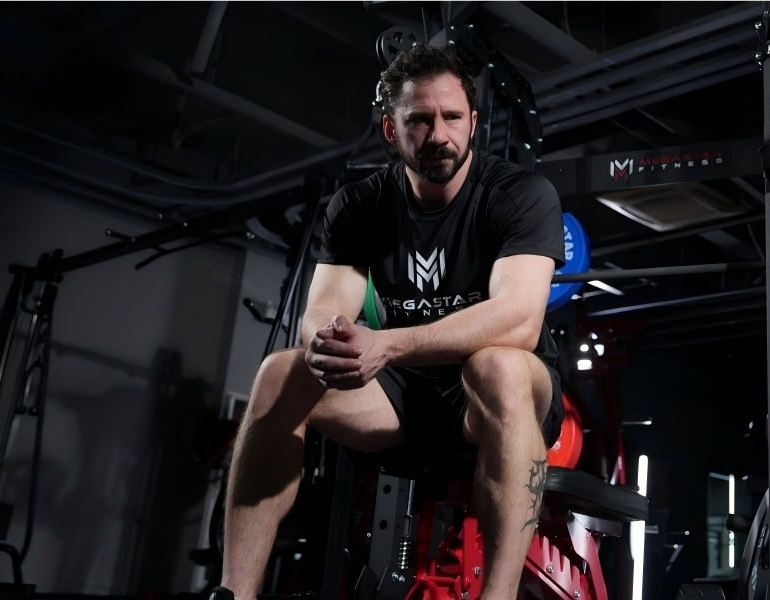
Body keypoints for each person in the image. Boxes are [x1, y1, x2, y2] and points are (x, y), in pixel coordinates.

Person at [211, 43, 565, 600]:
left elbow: (518, 321)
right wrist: (332, 341)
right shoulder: (358, 205)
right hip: (400, 398)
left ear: (473, 122)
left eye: (452, 118)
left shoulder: (519, 194)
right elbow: (322, 310)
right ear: (389, 128)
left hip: (497, 400)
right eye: (419, 120)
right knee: (281, 372)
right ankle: (234, 593)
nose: (439, 135)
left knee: (498, 365)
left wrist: (388, 344)